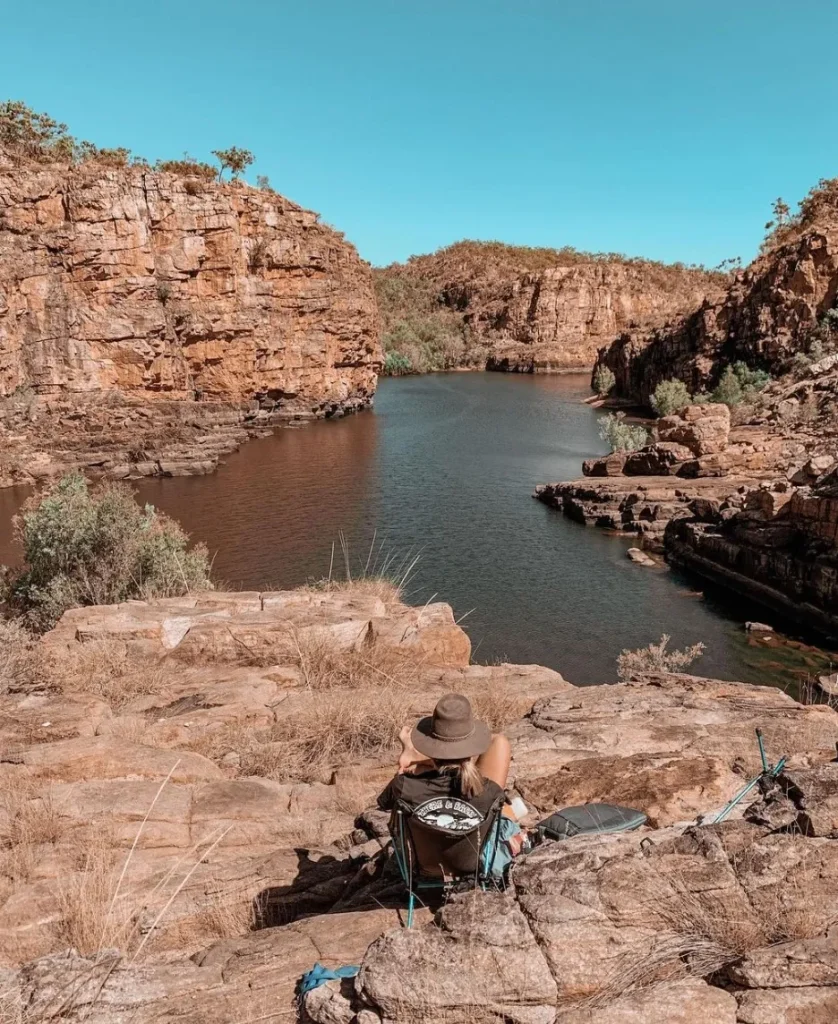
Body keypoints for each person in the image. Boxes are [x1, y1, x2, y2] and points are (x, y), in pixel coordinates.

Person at [378, 692, 523, 879]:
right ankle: (443, 752)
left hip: (422, 867)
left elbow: (385, 803)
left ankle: (421, 755)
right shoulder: (490, 792)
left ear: (431, 746)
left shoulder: (403, 786)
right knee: (511, 808)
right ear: (471, 748)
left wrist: (409, 758)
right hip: (474, 864)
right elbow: (496, 743)